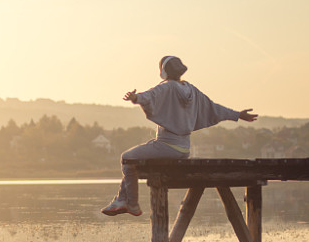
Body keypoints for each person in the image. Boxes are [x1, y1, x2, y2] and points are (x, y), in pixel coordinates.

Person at [101, 56, 258, 216]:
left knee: (127, 158)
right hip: (183, 149)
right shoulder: (192, 90)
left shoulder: (167, 86)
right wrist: (238, 115)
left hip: (167, 146)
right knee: (136, 158)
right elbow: (213, 108)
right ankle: (122, 199)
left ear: (163, 71)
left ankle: (131, 204)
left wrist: (136, 98)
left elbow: (150, 95)